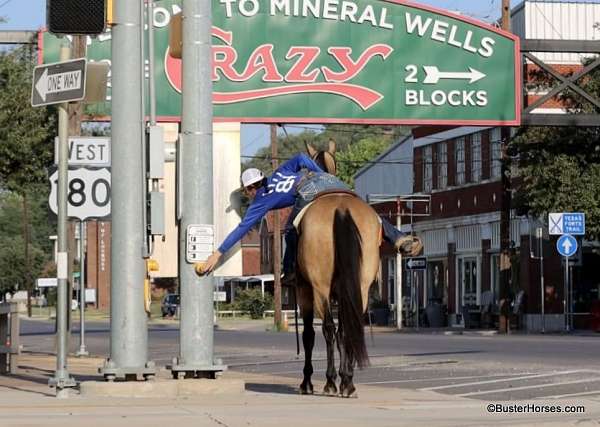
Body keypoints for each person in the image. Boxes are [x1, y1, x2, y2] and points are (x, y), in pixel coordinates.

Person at [198, 153, 422, 282]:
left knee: (291, 232)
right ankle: (400, 239)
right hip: (326, 181)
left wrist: (217, 254)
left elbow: (242, 228)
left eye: (249, 190)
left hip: (306, 193)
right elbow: (302, 157)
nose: (251, 192)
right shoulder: (279, 172)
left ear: (249, 189)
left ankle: (290, 272)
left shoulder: (261, 199)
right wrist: (321, 173)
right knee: (367, 211)